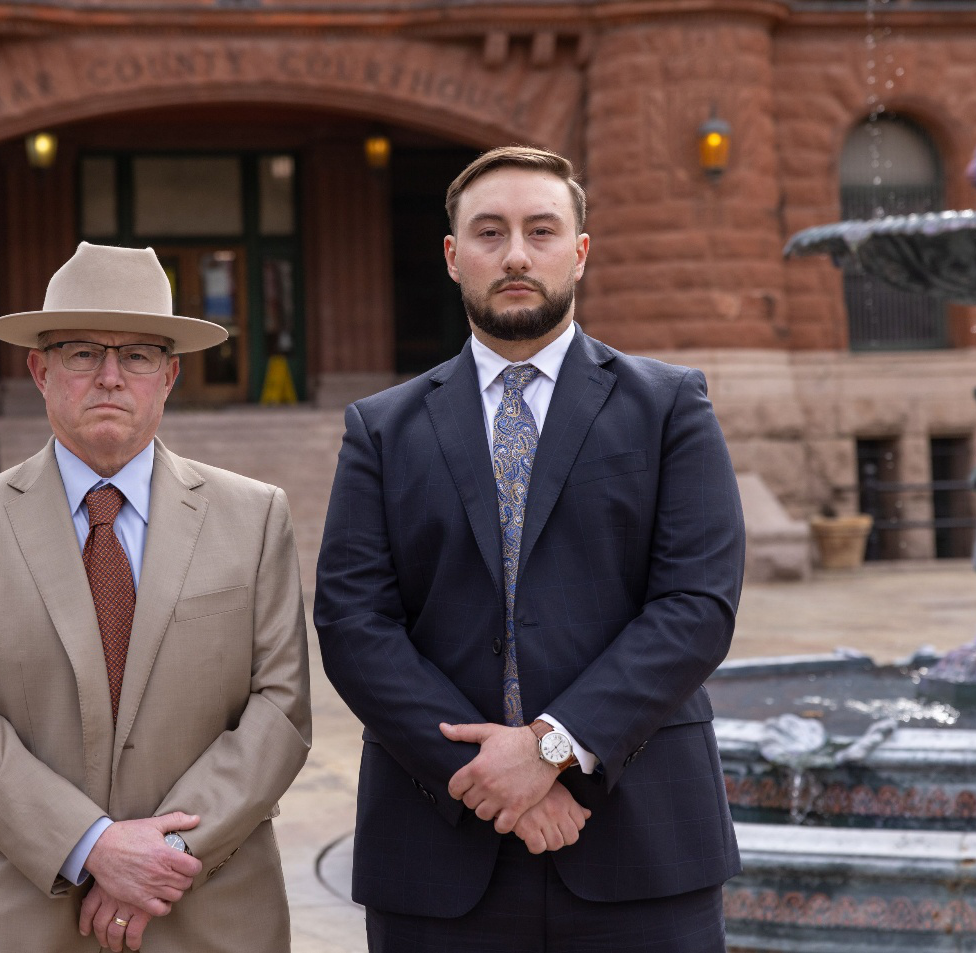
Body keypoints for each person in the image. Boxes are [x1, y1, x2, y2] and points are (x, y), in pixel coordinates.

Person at [314, 146, 745, 952]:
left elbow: (696, 606)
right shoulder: (380, 427)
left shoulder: (668, 406)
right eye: (489, 232)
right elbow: (351, 622)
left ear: (578, 251)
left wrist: (550, 746)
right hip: (438, 853)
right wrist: (492, 778)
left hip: (642, 845)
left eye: (540, 230)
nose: (515, 254)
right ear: (452, 256)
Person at [0, 243, 311, 953]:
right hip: (29, 911)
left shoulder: (253, 516)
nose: (108, 377)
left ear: (170, 374)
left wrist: (161, 858)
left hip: (211, 907)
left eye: (136, 356)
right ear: (39, 369)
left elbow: (280, 709)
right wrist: (93, 846)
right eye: (80, 354)